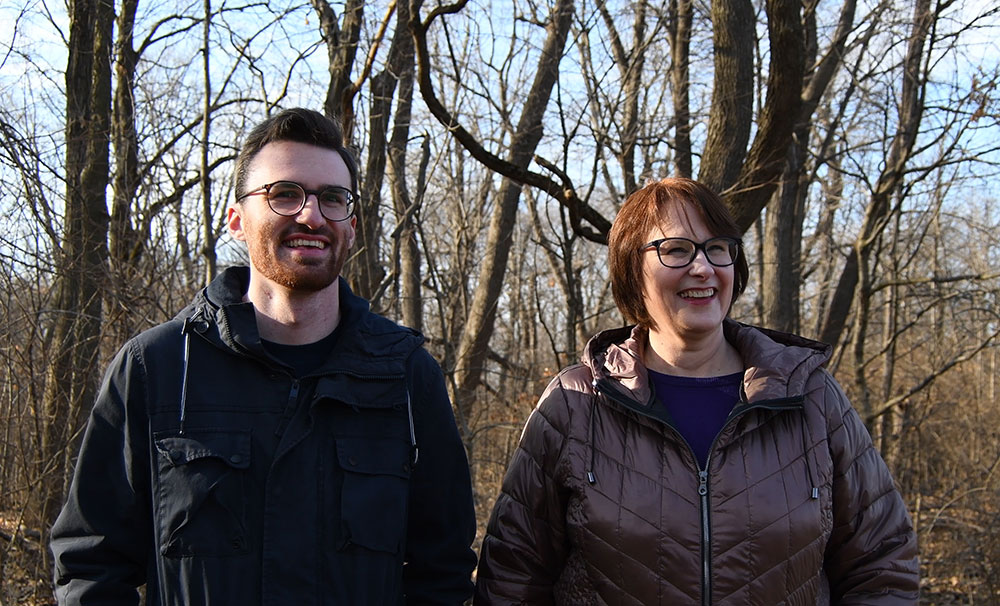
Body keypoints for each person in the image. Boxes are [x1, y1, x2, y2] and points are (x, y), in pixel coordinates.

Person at [50, 108, 477, 605]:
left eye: (332, 198)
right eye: (285, 194)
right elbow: (90, 564)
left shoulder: (405, 377)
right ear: (236, 219)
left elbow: (442, 572)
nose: (311, 215)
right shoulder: (159, 369)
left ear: (353, 225)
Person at [474, 177, 919, 605]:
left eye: (717, 249)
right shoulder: (577, 403)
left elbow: (882, 564)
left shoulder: (810, 397)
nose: (702, 267)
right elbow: (513, 577)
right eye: (676, 250)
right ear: (632, 268)